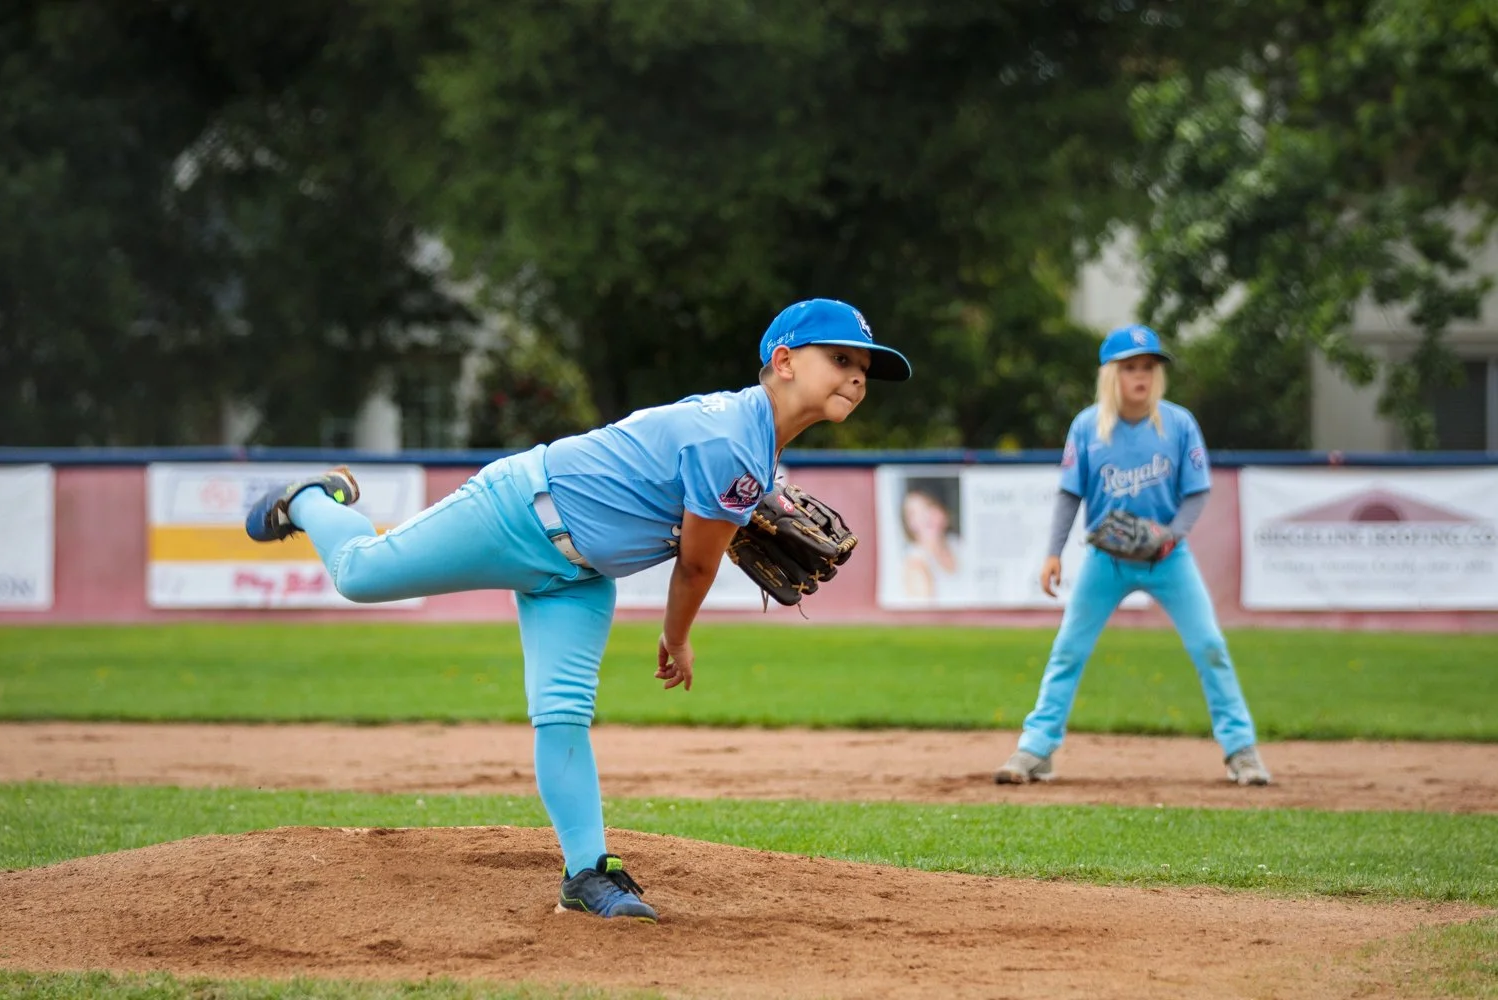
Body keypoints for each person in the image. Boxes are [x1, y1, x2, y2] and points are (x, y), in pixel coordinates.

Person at [242, 298, 912, 921]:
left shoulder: (758, 454)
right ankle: (311, 498)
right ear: (784, 360)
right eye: (841, 358)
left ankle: (587, 874)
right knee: (360, 574)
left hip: (579, 575)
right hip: (514, 512)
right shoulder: (734, 441)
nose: (856, 378)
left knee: (562, 714)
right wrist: (676, 637)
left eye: (863, 369)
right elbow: (698, 563)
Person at [993, 324, 1271, 787]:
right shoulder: (1088, 426)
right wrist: (1053, 553)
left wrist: (1172, 535)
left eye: (1148, 367)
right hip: (1107, 560)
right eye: (1130, 367)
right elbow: (1069, 495)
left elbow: (1197, 492)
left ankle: (1241, 750)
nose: (1141, 376)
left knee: (1210, 646)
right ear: (1111, 374)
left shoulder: (1178, 423)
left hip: (1169, 559)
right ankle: (1037, 748)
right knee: (1068, 650)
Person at [900, 486, 964, 602]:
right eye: (913, 513)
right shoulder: (915, 564)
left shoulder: (959, 545)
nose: (924, 517)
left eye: (928, 507)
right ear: (909, 524)